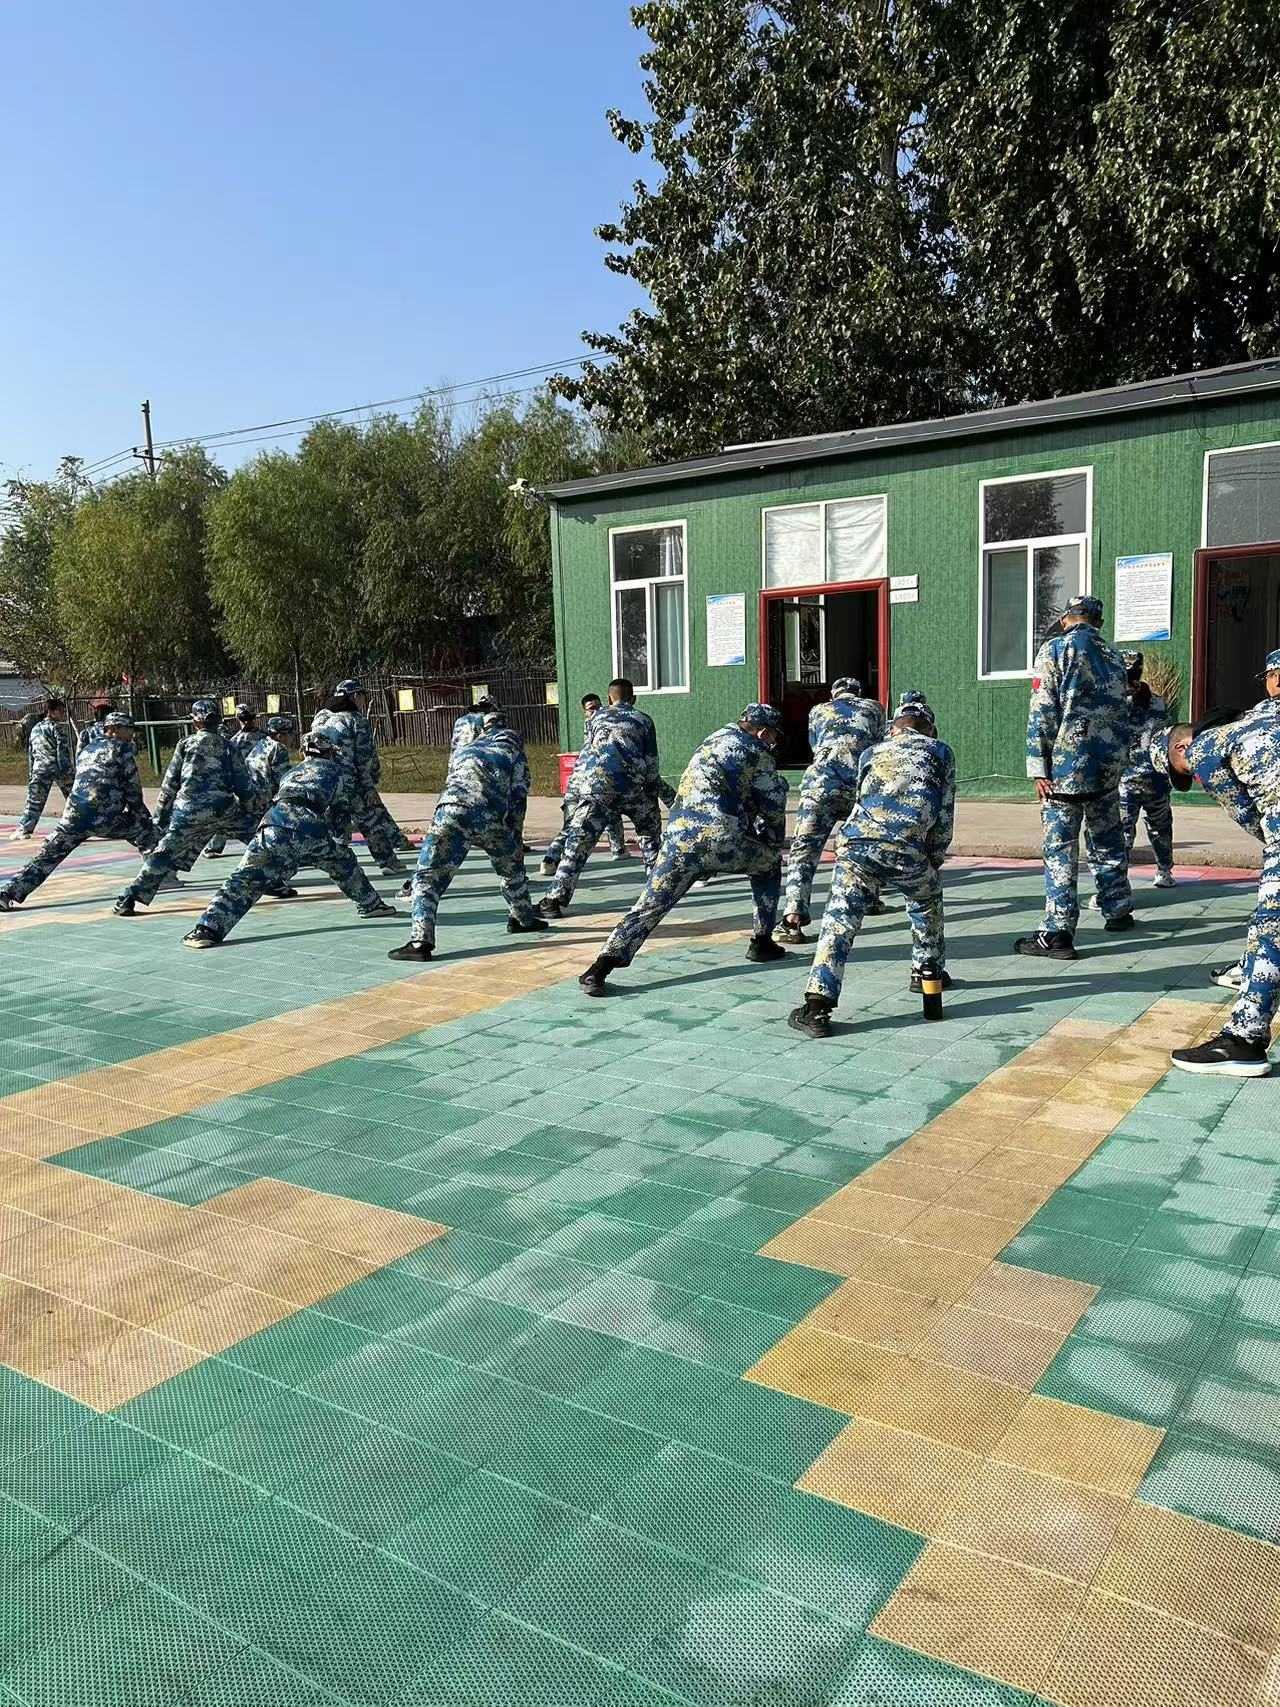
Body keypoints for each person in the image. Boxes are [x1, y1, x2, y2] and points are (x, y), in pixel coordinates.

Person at [578, 703, 789, 996]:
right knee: (769, 864)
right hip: (721, 840)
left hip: (678, 839)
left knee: (649, 905)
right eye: (773, 736)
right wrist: (773, 840)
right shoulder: (757, 753)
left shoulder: (715, 738)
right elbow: (773, 805)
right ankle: (762, 941)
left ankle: (599, 969)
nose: (773, 742)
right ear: (763, 732)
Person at [788, 697, 955, 1039]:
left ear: (893, 729)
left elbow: (861, 799)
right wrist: (933, 859)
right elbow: (944, 815)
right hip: (907, 848)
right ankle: (926, 974)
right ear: (931, 729)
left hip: (857, 847)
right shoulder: (940, 752)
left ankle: (817, 1006)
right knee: (926, 903)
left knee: (839, 921)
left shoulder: (871, 753)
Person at [1150, 670, 1279, 1077]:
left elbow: (1253, 820)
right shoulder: (1262, 714)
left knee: (1270, 930)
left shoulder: (1206, 748)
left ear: (1182, 746)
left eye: (1182, 769)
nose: (1191, 773)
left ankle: (1243, 1041)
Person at [182, 725, 401, 948]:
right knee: (344, 863)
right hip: (309, 828)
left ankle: (207, 929)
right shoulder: (338, 773)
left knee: (243, 878)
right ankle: (371, 904)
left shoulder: (293, 772)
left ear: (304, 752)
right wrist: (339, 839)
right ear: (329, 752)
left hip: (271, 825)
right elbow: (344, 811)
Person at [1014, 594, 1133, 960]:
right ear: (1099, 622)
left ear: (1067, 618)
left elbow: (1043, 709)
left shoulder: (1055, 650)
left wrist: (1038, 766)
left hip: (1066, 770)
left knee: (1060, 850)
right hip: (1107, 767)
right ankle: (1118, 908)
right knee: (1107, 840)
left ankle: (1058, 932)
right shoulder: (1115, 657)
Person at [387, 711, 548, 962]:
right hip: (491, 816)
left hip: (451, 813)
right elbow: (518, 796)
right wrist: (514, 841)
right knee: (511, 871)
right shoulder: (513, 751)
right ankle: (522, 918)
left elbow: (451, 783)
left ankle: (420, 942)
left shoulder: (466, 749)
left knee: (428, 877)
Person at [0, 714, 157, 909]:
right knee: (147, 833)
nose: (132, 734)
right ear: (114, 729)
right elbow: (133, 790)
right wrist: (143, 817)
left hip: (73, 817)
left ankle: (7, 893)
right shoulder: (122, 749)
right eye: (129, 729)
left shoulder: (88, 748)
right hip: (105, 818)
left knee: (47, 857)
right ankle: (158, 878)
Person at [113, 699, 251, 916]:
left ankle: (128, 899)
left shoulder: (185, 745)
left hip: (187, 811)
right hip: (224, 809)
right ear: (217, 721)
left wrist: (160, 816)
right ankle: (273, 881)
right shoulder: (228, 747)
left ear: (195, 722)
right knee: (259, 843)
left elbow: (170, 784)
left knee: (163, 854)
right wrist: (251, 808)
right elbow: (244, 784)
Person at [539, 678, 662, 918]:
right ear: (633, 698)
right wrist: (651, 793)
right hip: (633, 789)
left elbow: (588, 754)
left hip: (597, 789)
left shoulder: (595, 718)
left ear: (608, 699)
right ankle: (658, 895)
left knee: (577, 844)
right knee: (651, 840)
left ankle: (554, 901)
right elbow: (652, 763)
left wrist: (578, 791)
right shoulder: (644, 720)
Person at [777, 676, 888, 942]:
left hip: (819, 787)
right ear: (858, 693)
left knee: (803, 851)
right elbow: (879, 746)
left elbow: (816, 745)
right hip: (859, 787)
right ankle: (870, 898)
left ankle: (792, 920)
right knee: (866, 844)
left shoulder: (818, 710)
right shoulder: (874, 708)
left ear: (833, 694)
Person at [1093, 652, 1174, 895]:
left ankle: (1117, 884)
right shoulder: (1157, 701)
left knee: (1122, 833)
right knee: (1159, 827)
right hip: (1155, 777)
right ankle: (1164, 872)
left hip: (1126, 780)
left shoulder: (1112, 702)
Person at [312, 680, 406, 876]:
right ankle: (388, 862)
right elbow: (365, 756)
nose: (363, 700)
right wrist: (369, 784)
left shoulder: (320, 717)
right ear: (354, 696)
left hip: (325, 780)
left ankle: (339, 864)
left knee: (336, 823)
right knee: (370, 822)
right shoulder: (355, 719)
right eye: (362, 695)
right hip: (350, 782)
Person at [540, 693, 628, 876]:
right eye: (591, 708)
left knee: (611, 812)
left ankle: (618, 849)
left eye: (598, 706)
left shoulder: (597, 724)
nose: (596, 710)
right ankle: (551, 859)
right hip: (585, 782)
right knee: (574, 824)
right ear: (585, 712)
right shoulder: (598, 724)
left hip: (588, 780)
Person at [10, 697, 75, 842]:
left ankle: (24, 828)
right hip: (57, 767)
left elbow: (31, 753)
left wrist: (31, 773)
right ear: (50, 712)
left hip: (39, 769)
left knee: (34, 801)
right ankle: (76, 826)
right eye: (60, 711)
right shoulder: (56, 727)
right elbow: (62, 751)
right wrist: (68, 771)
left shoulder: (35, 728)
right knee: (73, 798)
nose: (63, 713)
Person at [203, 704, 261, 856]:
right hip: (242, 784)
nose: (247, 721)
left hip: (262, 783)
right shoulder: (234, 742)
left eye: (250, 718)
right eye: (243, 718)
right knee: (227, 815)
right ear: (237, 719)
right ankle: (214, 846)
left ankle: (264, 846)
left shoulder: (264, 738)